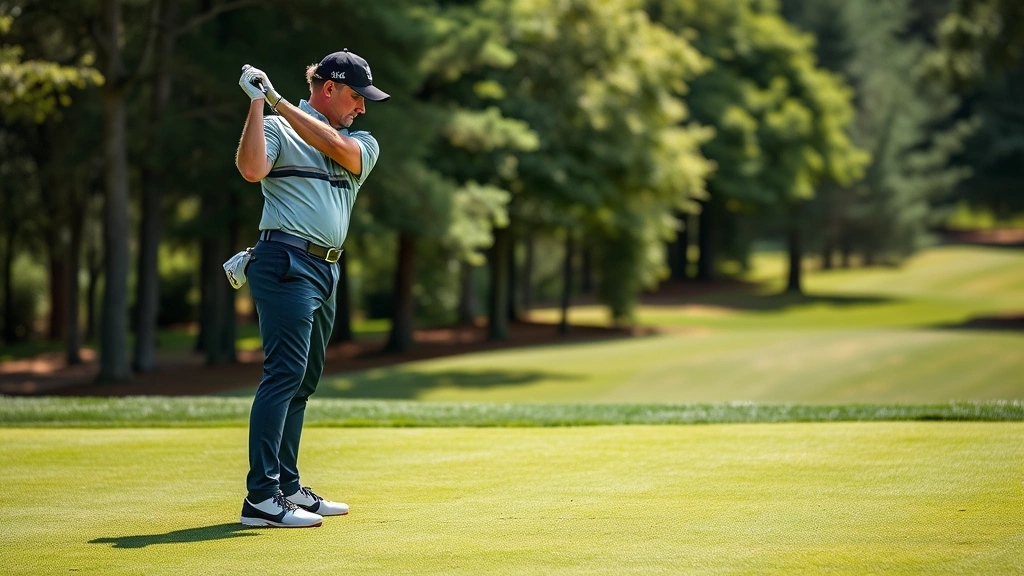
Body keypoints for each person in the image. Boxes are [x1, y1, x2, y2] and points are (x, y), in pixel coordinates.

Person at [234, 50, 389, 528]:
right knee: (283, 374)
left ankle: (287, 484)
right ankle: (261, 498)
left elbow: (339, 150)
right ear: (328, 88)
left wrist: (278, 99)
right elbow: (252, 170)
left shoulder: (361, 141)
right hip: (285, 260)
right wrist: (259, 104)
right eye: (356, 96)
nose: (362, 107)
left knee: (303, 382)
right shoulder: (278, 127)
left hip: (326, 270)